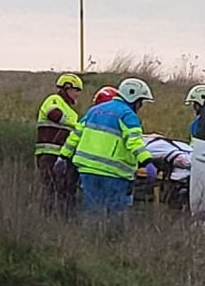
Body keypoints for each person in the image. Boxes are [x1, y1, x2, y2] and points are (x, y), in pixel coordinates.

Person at [58, 78, 156, 216]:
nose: (140, 106)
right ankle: (111, 238)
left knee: (91, 213)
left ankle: (88, 237)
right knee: (114, 216)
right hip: (114, 174)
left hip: (88, 171)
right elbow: (135, 142)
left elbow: (75, 136)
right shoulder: (128, 115)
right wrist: (147, 162)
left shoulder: (93, 111)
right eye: (141, 102)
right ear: (134, 99)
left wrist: (63, 156)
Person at [35, 73, 83, 215]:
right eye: (76, 90)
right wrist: (76, 124)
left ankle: (61, 218)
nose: (77, 95)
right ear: (67, 88)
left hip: (63, 156)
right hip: (48, 155)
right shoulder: (53, 100)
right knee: (50, 189)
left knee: (63, 190)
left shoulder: (71, 111)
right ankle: (48, 217)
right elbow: (53, 114)